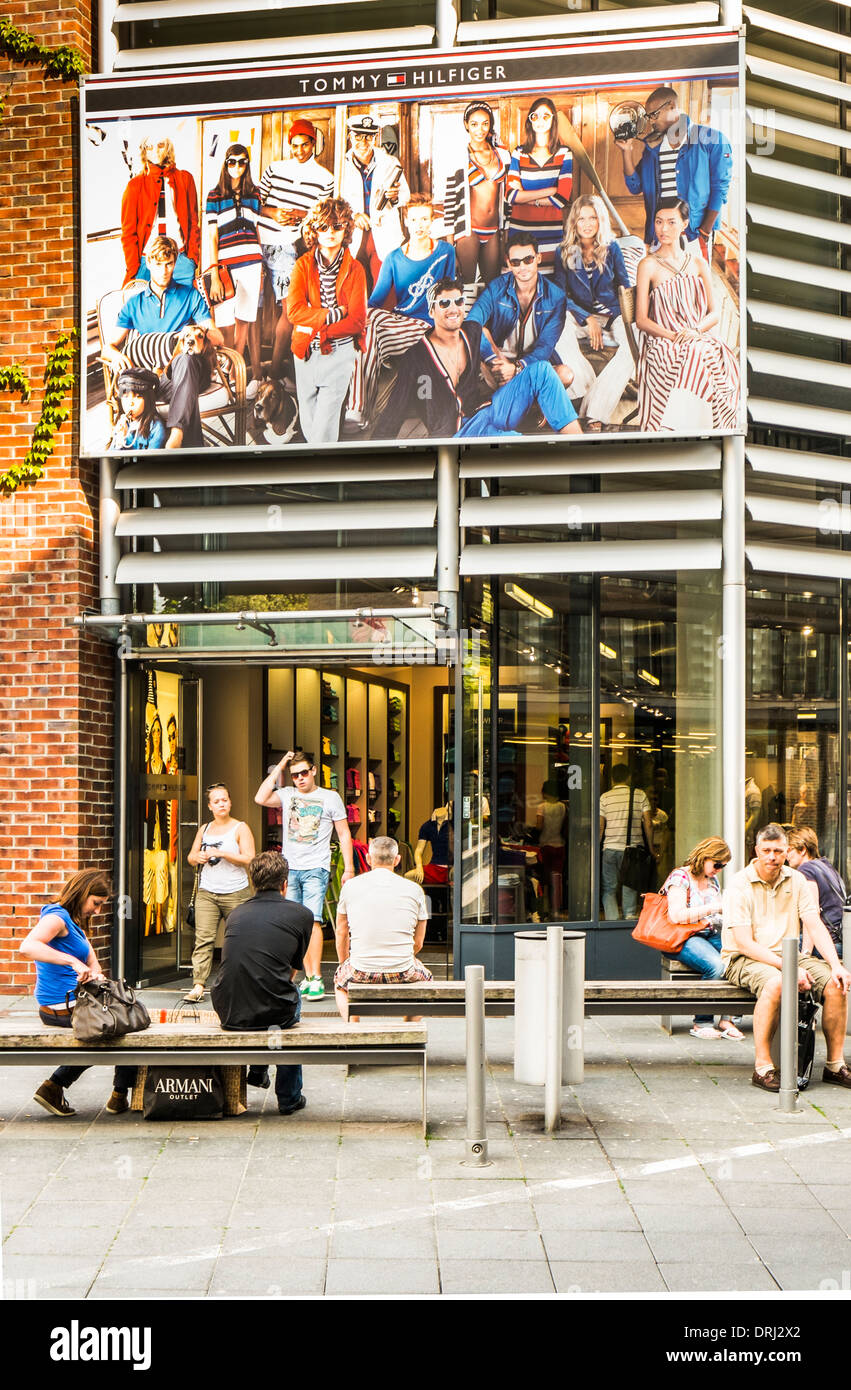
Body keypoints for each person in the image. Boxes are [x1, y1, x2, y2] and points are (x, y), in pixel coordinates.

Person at [722, 823, 851, 1093]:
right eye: (766, 850)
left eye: (778, 851)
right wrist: (789, 968)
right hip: (746, 957)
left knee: (836, 983)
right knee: (777, 983)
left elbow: (814, 923)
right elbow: (744, 943)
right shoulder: (739, 884)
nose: (772, 856)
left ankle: (835, 1065)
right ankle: (763, 1067)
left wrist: (837, 965)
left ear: (786, 851)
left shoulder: (797, 879)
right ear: (756, 851)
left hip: (790, 954)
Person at [374, 276, 582, 440]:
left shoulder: (470, 332)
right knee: (515, 442)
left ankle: (577, 444)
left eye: (458, 301)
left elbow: (483, 332)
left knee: (542, 370)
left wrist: (495, 360)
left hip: (488, 410)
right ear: (431, 310)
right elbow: (393, 415)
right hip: (459, 433)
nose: (453, 308)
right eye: (444, 303)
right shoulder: (416, 358)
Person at [20, 870, 136, 1118]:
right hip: (59, 1006)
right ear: (82, 892)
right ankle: (60, 1086)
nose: (97, 911)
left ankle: (114, 1095)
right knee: (118, 1026)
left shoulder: (73, 923)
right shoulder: (57, 918)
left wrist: (95, 975)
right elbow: (27, 946)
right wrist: (72, 962)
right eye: (96, 903)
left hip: (74, 1002)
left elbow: (94, 964)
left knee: (126, 1015)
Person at [210, 851, 312, 1115]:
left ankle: (258, 1069)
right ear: (285, 883)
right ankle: (289, 1098)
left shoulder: (235, 914)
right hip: (274, 1011)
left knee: (262, 991)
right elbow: (291, 971)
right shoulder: (302, 914)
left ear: (252, 882)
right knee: (290, 1000)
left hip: (228, 1009)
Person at [103, 235, 224, 449]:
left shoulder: (190, 295)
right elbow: (108, 347)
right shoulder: (135, 304)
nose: (164, 271)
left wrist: (196, 332)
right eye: (158, 264)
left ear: (175, 263)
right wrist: (116, 355)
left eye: (169, 264)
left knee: (185, 361)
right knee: (182, 392)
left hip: (192, 373)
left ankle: (176, 436)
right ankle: (192, 452)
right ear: (148, 263)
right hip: (156, 382)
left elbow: (218, 336)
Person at [254, 749, 355, 1000]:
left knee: (312, 921)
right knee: (292, 924)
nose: (299, 778)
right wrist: (280, 765)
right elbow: (260, 797)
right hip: (290, 868)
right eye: (295, 775)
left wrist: (349, 868)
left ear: (313, 771)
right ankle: (300, 977)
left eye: (303, 773)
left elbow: (344, 834)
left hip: (316, 867)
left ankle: (315, 977)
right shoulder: (287, 794)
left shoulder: (330, 797)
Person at [347, 194, 456, 426]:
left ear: (432, 221)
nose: (420, 226)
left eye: (425, 219)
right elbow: (375, 300)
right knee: (367, 322)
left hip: (429, 327)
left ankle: (358, 409)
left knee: (370, 321)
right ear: (406, 221)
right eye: (415, 220)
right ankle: (357, 412)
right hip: (400, 326)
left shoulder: (446, 251)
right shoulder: (394, 258)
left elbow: (450, 294)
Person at [635, 198, 740, 433]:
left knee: (711, 354)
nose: (663, 229)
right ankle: (682, 429)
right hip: (662, 342)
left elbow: (713, 314)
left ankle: (691, 428)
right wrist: (672, 336)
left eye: (671, 222)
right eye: (659, 222)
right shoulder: (648, 265)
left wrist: (694, 331)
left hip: (695, 336)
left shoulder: (698, 263)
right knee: (698, 354)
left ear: (684, 224)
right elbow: (641, 319)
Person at [615, 86, 733, 257]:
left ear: (671, 107)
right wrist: (626, 152)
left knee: (693, 283)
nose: (651, 122)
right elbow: (635, 187)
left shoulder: (712, 139)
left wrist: (705, 233)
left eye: (654, 115)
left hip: (694, 235)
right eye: (649, 117)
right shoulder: (652, 149)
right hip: (659, 235)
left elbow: (720, 188)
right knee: (662, 284)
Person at [258, 119, 335, 379]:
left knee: (290, 309)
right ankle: (261, 372)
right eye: (294, 145)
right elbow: (254, 203)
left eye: (304, 145)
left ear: (313, 143)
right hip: (261, 240)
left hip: (292, 244)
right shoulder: (274, 168)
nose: (299, 150)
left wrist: (304, 213)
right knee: (255, 311)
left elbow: (323, 216)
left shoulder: (326, 178)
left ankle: (275, 371)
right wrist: (274, 212)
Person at [286, 196, 367, 444]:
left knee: (323, 432)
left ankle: (320, 478)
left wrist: (317, 325)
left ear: (346, 229)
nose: (330, 232)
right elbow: (294, 312)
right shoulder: (302, 265)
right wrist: (332, 314)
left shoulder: (356, 270)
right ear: (314, 231)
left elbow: (356, 321)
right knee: (310, 427)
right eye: (323, 227)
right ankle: (319, 477)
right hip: (304, 351)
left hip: (339, 351)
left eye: (336, 226)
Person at [553, 195, 634, 428]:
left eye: (593, 218)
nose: (587, 224)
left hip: (612, 314)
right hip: (582, 318)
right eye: (581, 219)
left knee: (636, 340)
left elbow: (624, 287)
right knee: (557, 322)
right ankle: (587, 387)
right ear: (574, 223)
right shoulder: (567, 252)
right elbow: (560, 296)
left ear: (600, 221)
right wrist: (586, 317)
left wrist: (625, 318)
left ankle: (594, 411)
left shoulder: (612, 248)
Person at [334, 837, 432, 1022]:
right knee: (426, 980)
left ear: (369, 859)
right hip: (403, 969)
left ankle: (353, 1027)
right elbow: (418, 943)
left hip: (360, 968)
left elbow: (341, 931)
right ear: (397, 860)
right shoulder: (415, 889)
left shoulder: (350, 887)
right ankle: (407, 1029)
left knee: (340, 983)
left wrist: (345, 963)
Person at [467, 231, 573, 393]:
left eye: (528, 260)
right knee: (481, 330)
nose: (522, 267)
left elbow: (545, 347)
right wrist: (497, 361)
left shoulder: (556, 297)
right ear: (508, 263)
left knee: (565, 374)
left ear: (538, 258)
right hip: (499, 362)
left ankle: (513, 397)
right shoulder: (496, 288)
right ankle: (526, 402)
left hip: (531, 364)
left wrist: (517, 368)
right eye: (516, 262)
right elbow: (472, 323)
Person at [660, 837, 743, 1040]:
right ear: (705, 857)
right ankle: (702, 1022)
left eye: (723, 866)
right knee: (715, 966)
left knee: (738, 959)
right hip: (683, 936)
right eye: (717, 864)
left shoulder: (712, 880)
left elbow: (716, 913)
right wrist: (714, 907)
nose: (719, 869)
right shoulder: (680, 877)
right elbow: (676, 915)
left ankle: (727, 1019)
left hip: (709, 931)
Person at [184, 782, 256, 1002]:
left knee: (239, 939)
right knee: (203, 939)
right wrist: (198, 857)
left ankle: (242, 982)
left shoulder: (240, 828)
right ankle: (198, 985)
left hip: (236, 891)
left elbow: (250, 858)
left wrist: (223, 853)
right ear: (210, 806)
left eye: (224, 799)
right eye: (216, 801)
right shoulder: (204, 829)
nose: (221, 804)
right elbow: (190, 857)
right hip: (207, 891)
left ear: (230, 802)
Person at [205, 143, 264, 397]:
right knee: (225, 320)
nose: (237, 167)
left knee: (245, 319)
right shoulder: (214, 195)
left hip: (253, 262)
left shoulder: (255, 194)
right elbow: (211, 237)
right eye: (232, 162)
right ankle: (225, 374)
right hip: (226, 266)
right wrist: (214, 271)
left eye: (242, 162)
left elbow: (257, 229)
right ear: (225, 163)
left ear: (247, 164)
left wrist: (261, 264)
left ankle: (236, 373)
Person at [443, 100, 511, 297]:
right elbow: (450, 201)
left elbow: (506, 198)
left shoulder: (503, 155)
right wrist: (450, 248)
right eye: (474, 124)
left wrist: (504, 235)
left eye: (484, 123)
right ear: (466, 125)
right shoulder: (458, 155)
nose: (479, 129)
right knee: (465, 288)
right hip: (468, 231)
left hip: (493, 230)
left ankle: (488, 328)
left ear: (490, 125)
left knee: (493, 290)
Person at [339, 114, 409, 292]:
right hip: (354, 236)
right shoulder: (340, 165)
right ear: (350, 136)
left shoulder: (390, 162)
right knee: (357, 291)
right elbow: (336, 201)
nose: (363, 142)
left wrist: (394, 197)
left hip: (384, 234)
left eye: (368, 137)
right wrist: (353, 215)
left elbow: (405, 196)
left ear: (375, 137)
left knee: (386, 290)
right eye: (358, 137)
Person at [120, 133, 200, 287]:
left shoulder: (185, 179)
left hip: (180, 260)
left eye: (160, 144)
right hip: (146, 262)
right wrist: (134, 268)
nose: (155, 150)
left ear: (168, 146)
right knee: (147, 309)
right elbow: (128, 233)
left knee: (181, 310)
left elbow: (193, 222)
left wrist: (192, 259)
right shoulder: (135, 185)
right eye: (149, 146)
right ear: (144, 150)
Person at [506, 98, 573, 273]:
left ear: (553, 120)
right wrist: (549, 191)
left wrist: (527, 197)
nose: (541, 121)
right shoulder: (519, 153)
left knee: (549, 282)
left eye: (546, 116)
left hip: (550, 232)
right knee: (522, 279)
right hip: (520, 231)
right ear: (530, 120)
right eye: (535, 116)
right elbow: (511, 196)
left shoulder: (564, 153)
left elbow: (562, 198)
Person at [599, 764, 655, 920]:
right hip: (633, 850)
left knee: (609, 888)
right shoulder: (640, 795)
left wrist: (597, 848)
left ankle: (611, 920)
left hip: (609, 848)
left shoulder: (605, 797)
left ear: (612, 779)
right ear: (629, 777)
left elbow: (600, 827)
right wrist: (650, 848)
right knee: (629, 885)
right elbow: (648, 823)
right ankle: (628, 917)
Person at [786, 827, 846, 957]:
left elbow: (812, 912)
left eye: (789, 850)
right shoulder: (825, 866)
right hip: (842, 940)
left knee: (778, 944)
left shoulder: (806, 870)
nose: (786, 855)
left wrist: (805, 954)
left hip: (830, 943)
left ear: (802, 850)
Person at [143, 711, 169, 937]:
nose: (158, 736)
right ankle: (146, 926)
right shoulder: (146, 764)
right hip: (148, 826)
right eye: (155, 732)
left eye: (160, 732)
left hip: (162, 826)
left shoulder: (165, 765)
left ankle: (161, 926)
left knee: (163, 875)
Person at [109, 367, 167, 452]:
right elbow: (111, 458)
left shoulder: (156, 429)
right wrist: (119, 441)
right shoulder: (122, 424)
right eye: (125, 396)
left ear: (148, 400)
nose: (130, 402)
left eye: (137, 396)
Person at [536, 781, 566, 918]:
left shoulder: (542, 807)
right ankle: (557, 909)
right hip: (560, 845)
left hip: (546, 845)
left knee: (545, 880)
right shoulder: (562, 807)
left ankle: (546, 908)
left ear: (546, 792)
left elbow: (539, 826)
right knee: (557, 878)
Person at [405, 806, 451, 885]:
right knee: (408, 876)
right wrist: (419, 867)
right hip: (434, 867)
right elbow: (419, 850)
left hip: (452, 867)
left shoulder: (454, 824)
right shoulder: (427, 826)